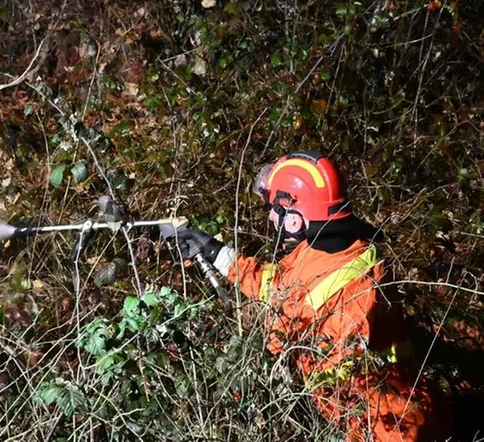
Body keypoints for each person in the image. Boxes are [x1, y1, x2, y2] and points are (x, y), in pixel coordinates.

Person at [173, 150, 452, 442]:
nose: (270, 217)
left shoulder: (357, 286)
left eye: (275, 209)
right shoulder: (331, 250)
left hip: (388, 427)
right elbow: (278, 285)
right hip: (372, 414)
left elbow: (284, 329)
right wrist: (217, 253)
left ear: (295, 218)